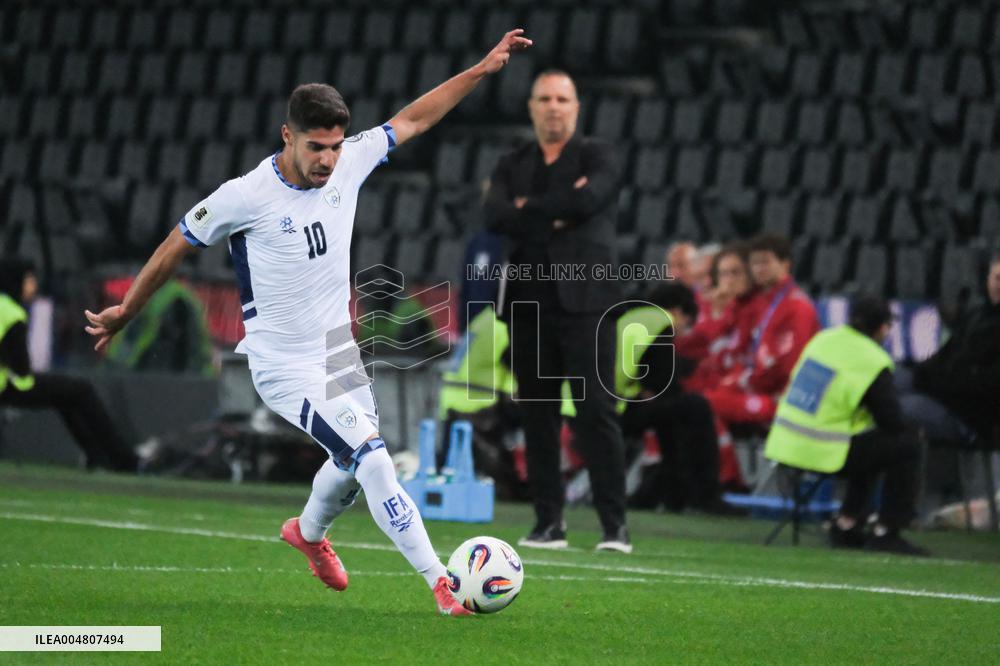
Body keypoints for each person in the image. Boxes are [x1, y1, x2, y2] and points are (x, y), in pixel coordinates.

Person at [84, 29, 533, 617]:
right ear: (288, 135)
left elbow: (415, 119)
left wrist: (480, 69)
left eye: (336, 146)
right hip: (282, 363)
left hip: (337, 350)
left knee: (351, 465)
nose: (328, 159)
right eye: (316, 146)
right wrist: (127, 310)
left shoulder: (348, 163)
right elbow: (176, 244)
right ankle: (441, 582)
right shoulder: (245, 196)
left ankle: (309, 533)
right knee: (373, 457)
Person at [483, 70, 631, 553]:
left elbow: (590, 199)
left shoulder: (600, 155)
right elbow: (494, 215)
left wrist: (529, 208)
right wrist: (558, 211)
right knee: (538, 417)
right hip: (528, 302)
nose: (553, 107)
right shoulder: (512, 161)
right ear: (530, 107)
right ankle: (549, 523)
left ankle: (615, 528)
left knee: (595, 413)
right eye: (543, 98)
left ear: (576, 107)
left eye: (562, 99)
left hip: (587, 303)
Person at [764, 296, 927, 556]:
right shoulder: (872, 359)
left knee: (870, 442)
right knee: (907, 443)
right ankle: (887, 530)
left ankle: (847, 523)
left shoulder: (824, 339)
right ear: (884, 327)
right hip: (823, 451)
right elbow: (891, 420)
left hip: (784, 444)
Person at [0, 258, 139, 472]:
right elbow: (22, 370)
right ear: (16, 280)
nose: (34, 284)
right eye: (29, 279)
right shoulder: (11, 313)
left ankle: (97, 458)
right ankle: (124, 461)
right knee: (81, 390)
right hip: (7, 387)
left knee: (66, 395)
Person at [619, 283, 741, 515]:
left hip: (593, 403)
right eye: (685, 323)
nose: (682, 331)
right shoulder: (658, 322)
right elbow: (663, 383)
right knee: (695, 406)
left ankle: (666, 492)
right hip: (617, 407)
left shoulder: (630, 315)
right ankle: (707, 495)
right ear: (677, 312)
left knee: (671, 412)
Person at [702, 233, 820, 432]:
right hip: (759, 388)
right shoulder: (762, 304)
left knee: (702, 406)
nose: (759, 269)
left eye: (765, 262)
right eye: (755, 263)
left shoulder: (796, 307)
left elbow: (788, 366)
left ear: (785, 264)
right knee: (696, 402)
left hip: (783, 400)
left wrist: (744, 381)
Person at [897, 252, 1000, 446]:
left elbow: (986, 386)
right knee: (890, 378)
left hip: (969, 417)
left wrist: (930, 383)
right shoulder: (976, 315)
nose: (998, 285)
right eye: (996, 278)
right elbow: (944, 355)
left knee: (893, 407)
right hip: (941, 394)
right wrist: (916, 369)